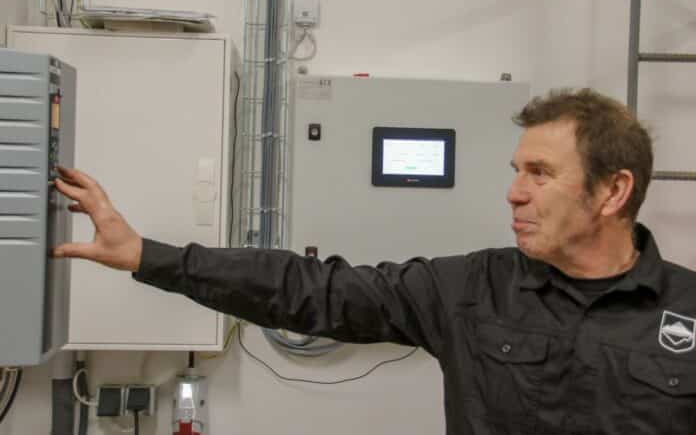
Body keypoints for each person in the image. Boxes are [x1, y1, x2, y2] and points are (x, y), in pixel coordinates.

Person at [53, 89, 696, 435]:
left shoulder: (688, 312)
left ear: (613, 191)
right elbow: (312, 289)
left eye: (540, 173)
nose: (514, 192)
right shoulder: (472, 289)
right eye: (516, 170)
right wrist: (147, 256)